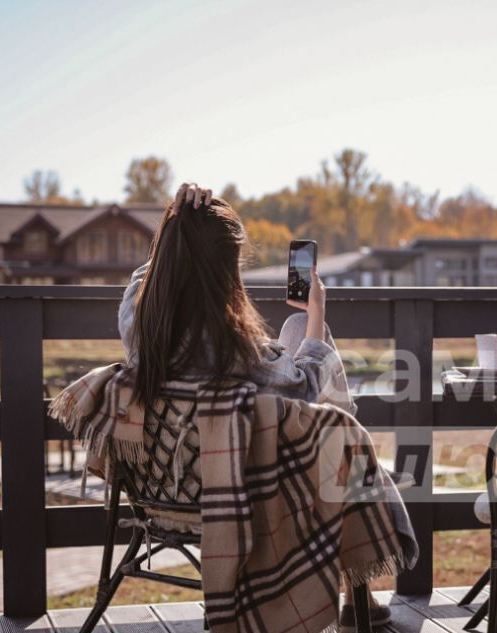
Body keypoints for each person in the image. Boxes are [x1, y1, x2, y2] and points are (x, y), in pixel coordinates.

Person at [118, 182, 388, 627]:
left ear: (168, 258)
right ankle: (358, 587)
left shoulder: (138, 325)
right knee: (307, 337)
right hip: (230, 491)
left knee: (296, 330)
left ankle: (360, 589)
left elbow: (140, 284)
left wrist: (178, 220)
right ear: (227, 269)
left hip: (159, 490)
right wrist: (318, 312)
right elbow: (303, 386)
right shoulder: (235, 349)